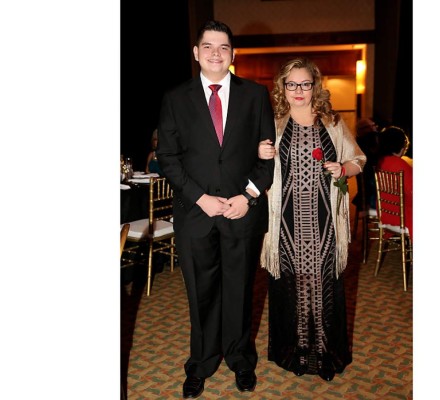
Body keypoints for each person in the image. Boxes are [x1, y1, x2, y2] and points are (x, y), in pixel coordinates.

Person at [156, 20, 276, 399]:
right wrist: (200, 198)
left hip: (242, 213)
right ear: (196, 52)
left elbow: (267, 158)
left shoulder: (255, 95)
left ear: (233, 54)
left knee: (240, 291)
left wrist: (248, 196)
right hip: (196, 214)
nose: (215, 53)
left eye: (223, 47)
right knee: (201, 294)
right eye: (207, 46)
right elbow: (168, 158)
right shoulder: (175, 98)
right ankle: (201, 363)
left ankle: (240, 359)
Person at [258, 58, 366, 382]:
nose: (299, 90)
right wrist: (260, 153)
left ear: (314, 86)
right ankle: (295, 353)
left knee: (323, 283)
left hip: (325, 220)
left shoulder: (332, 122)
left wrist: (343, 169)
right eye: (292, 84)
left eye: (305, 84)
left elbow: (358, 159)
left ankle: (325, 355)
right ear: (283, 87)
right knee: (291, 284)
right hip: (285, 221)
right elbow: (254, 166)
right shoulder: (273, 125)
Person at [376, 126, 413, 240]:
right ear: (402, 145)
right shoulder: (401, 165)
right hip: (403, 217)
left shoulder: (381, 162)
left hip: (386, 215)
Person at [352, 117, 379, 210]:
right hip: (370, 191)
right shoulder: (362, 144)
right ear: (360, 131)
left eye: (373, 125)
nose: (372, 129)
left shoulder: (376, 139)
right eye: (368, 127)